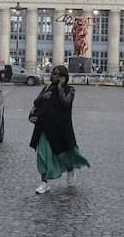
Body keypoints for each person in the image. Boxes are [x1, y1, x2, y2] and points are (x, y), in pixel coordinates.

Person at [29, 65, 90, 194]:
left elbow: (66, 103)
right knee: (42, 155)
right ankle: (44, 183)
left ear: (64, 77)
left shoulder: (70, 90)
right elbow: (36, 103)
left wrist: (60, 88)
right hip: (44, 127)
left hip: (61, 129)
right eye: (53, 73)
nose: (54, 76)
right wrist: (42, 97)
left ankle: (70, 169)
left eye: (58, 74)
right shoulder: (46, 88)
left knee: (64, 154)